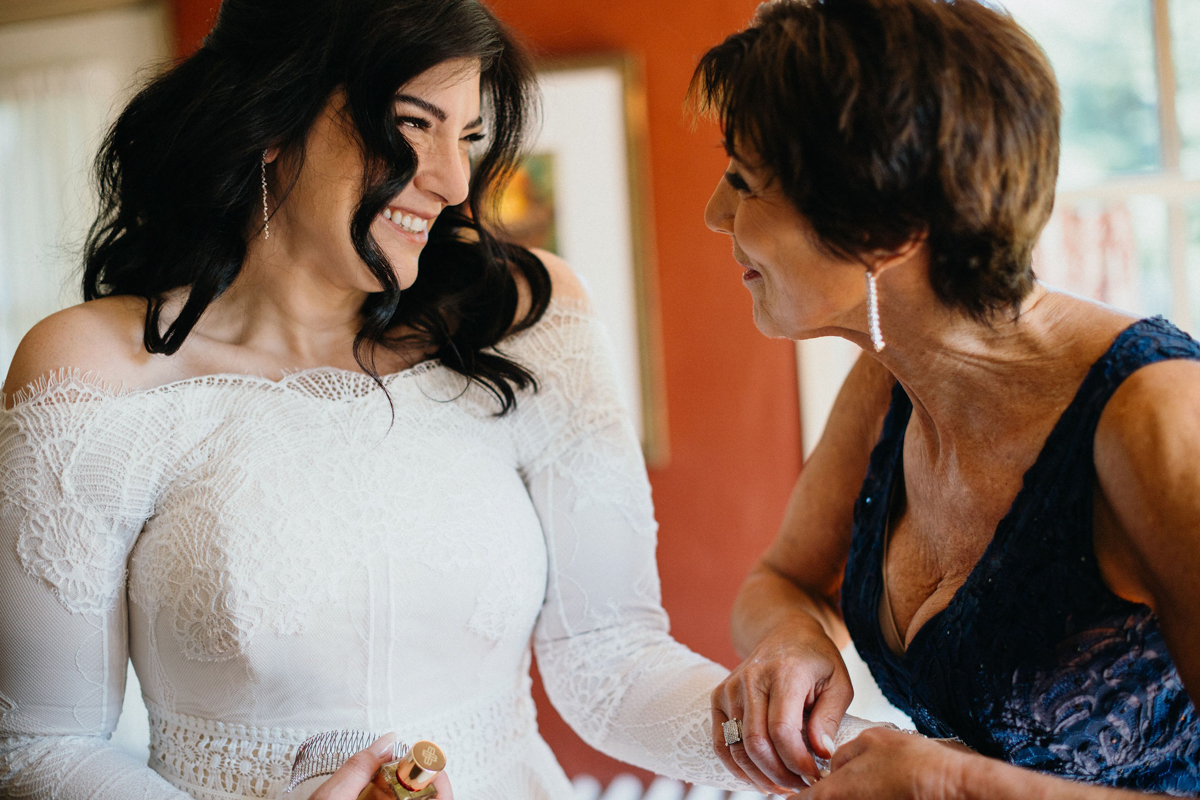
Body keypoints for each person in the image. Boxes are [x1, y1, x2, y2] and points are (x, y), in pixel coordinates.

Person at [0, 1, 754, 797]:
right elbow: (40, 745)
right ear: (271, 117)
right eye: (413, 126)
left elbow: (612, 659)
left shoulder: (529, 320)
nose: (455, 181)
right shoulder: (94, 374)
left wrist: (826, 755)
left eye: (467, 137)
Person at [691, 0, 1200, 797]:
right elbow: (783, 577)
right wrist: (790, 641)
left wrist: (952, 787)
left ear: (886, 228)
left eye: (745, 183)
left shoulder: (1159, 425)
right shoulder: (888, 375)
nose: (716, 215)